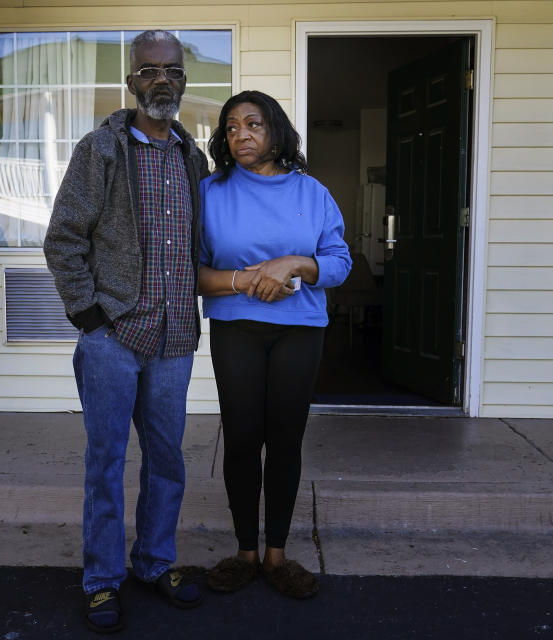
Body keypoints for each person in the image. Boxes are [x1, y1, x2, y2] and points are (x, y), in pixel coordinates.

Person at [43, 30, 210, 633]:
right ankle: (101, 580)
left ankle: (154, 562)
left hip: (173, 340)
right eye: (149, 70)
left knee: (166, 460)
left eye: (171, 69)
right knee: (106, 463)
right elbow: (63, 238)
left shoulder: (195, 158)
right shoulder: (100, 150)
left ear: (184, 80)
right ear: (132, 81)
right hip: (112, 339)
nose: (161, 79)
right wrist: (89, 317)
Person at [197, 90, 351, 599]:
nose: (242, 135)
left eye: (254, 124)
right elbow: (192, 272)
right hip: (236, 327)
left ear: (275, 131)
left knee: (285, 439)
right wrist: (245, 280)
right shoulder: (210, 192)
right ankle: (245, 552)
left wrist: (294, 264)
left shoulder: (313, 194)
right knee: (242, 438)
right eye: (232, 126)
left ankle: (277, 555)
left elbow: (339, 262)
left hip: (299, 329)